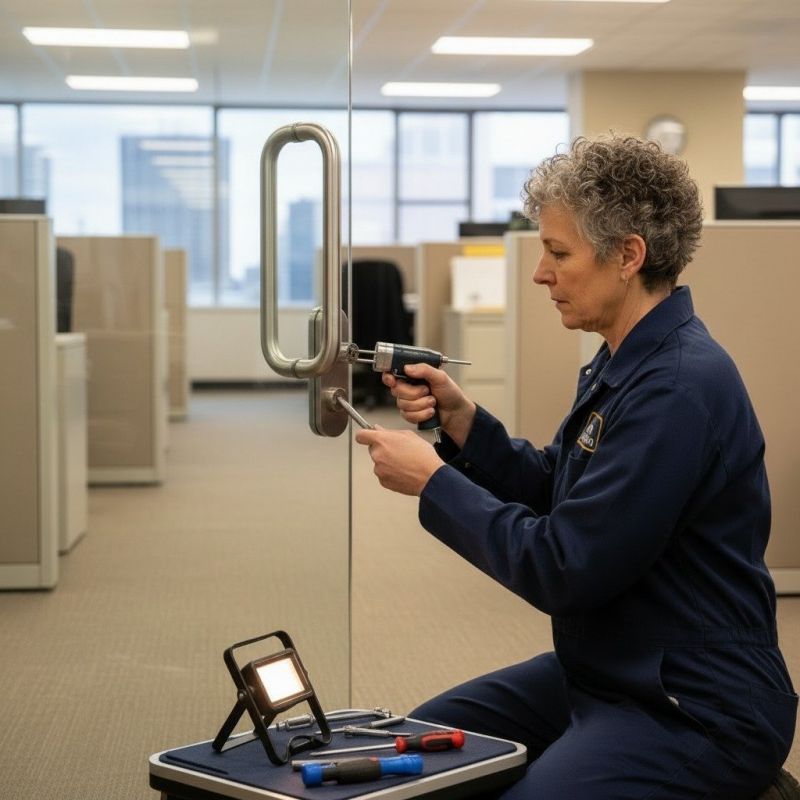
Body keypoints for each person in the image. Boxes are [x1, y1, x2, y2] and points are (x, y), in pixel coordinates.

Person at [355, 134, 797, 799]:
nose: (540, 274)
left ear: (628, 256)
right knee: (418, 751)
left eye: (559, 253)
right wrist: (463, 423)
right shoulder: (626, 359)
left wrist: (434, 482)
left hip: (694, 703)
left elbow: (563, 566)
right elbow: (558, 487)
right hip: (605, 670)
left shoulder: (678, 388)